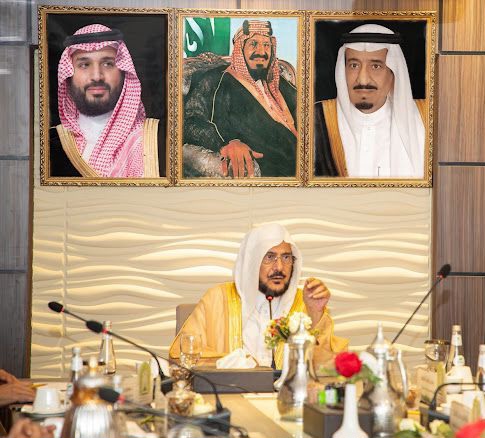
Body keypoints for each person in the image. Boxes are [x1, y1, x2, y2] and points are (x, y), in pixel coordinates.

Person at [169, 223, 348, 368]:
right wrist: (238, 363)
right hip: (231, 395)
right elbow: (180, 355)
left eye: (286, 258)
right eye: (269, 257)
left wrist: (316, 314)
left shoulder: (305, 302)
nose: (279, 267)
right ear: (251, 262)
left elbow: (330, 366)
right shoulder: (217, 298)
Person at [183, 20, 297, 178]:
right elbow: (190, 120)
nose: (261, 51)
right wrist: (226, 143)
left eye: (266, 45)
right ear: (240, 49)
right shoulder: (215, 79)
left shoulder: (278, 82)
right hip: (271, 168)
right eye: (253, 44)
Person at [50, 23, 165, 178]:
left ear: (123, 72)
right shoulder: (51, 143)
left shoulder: (157, 139)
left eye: (108, 64)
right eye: (84, 65)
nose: (97, 76)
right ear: (68, 75)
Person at [314, 24, 426, 178]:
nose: (363, 79)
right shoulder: (316, 119)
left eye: (376, 66)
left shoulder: (424, 120)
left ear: (393, 74)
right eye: (354, 65)